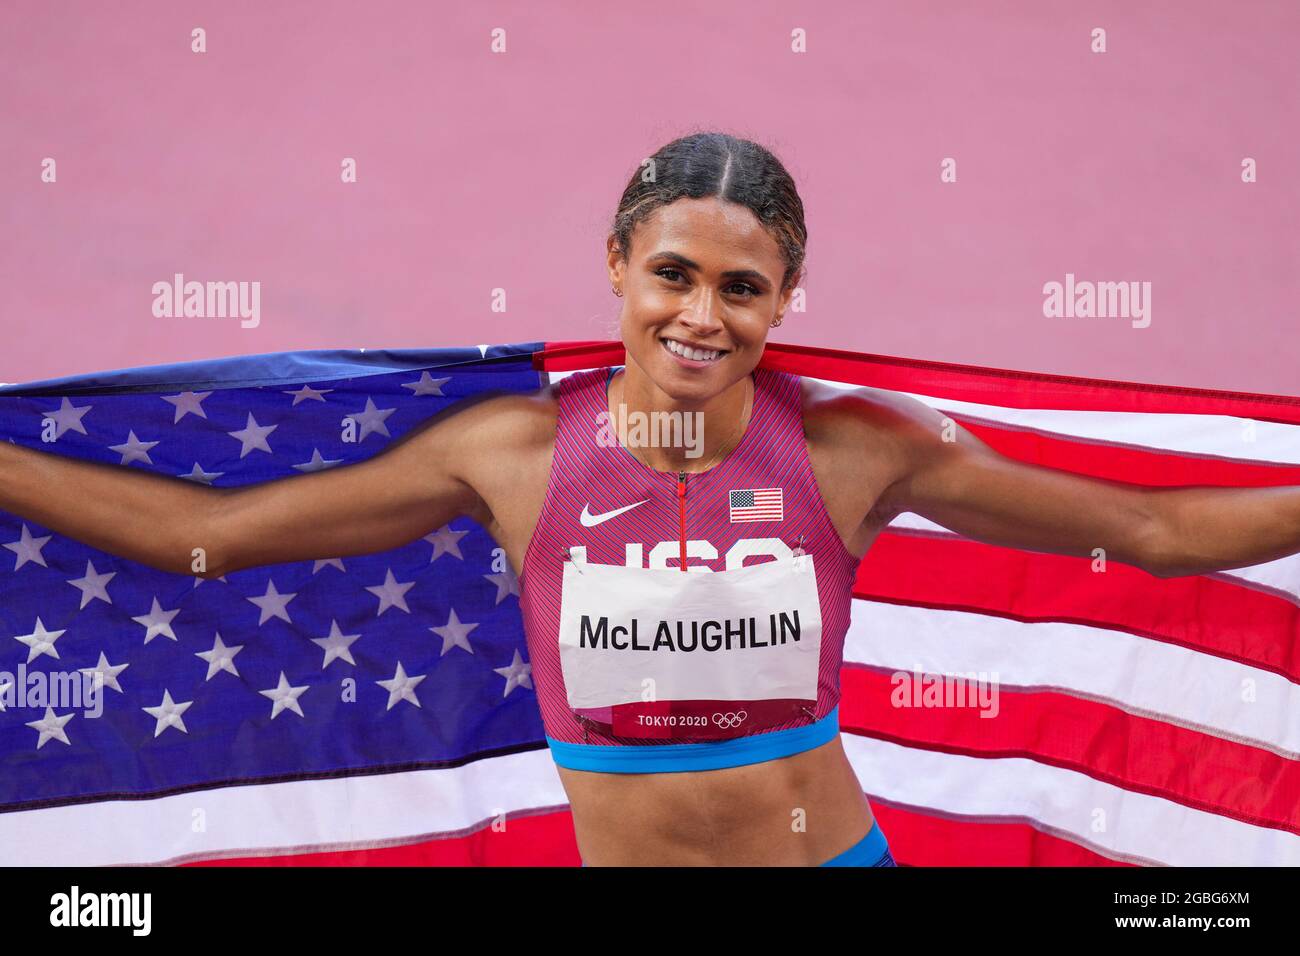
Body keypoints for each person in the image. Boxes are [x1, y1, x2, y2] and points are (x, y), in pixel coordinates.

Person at [3, 131, 1299, 867]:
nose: (702, 312)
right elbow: (208, 538)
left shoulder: (856, 454)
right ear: (617, 265)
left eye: (744, 287)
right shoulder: (509, 457)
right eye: (673, 272)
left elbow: (1156, 536)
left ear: (785, 300)